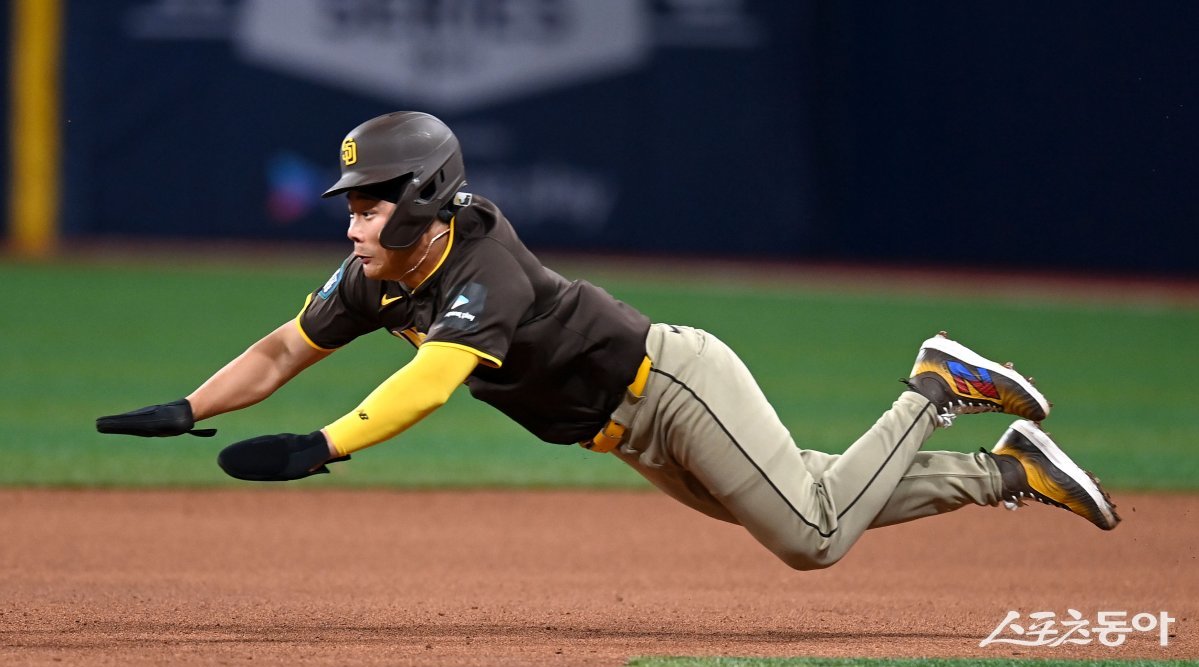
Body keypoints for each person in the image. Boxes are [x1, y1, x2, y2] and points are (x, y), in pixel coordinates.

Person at [96, 111, 1118, 571]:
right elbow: (283, 348)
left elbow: (430, 385)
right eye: (352, 204)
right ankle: (1010, 471)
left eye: (368, 204)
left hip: (671, 384)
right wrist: (192, 406)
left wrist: (325, 445)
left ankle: (934, 384)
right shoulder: (377, 272)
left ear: (422, 200)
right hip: (622, 431)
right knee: (810, 494)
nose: (352, 222)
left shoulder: (480, 267)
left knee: (811, 537)